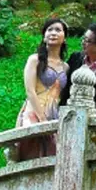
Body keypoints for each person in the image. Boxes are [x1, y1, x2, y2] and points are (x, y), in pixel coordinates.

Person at [14, 17, 69, 160]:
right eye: (49, 30)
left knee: (52, 156)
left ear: (64, 38)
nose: (53, 33)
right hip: (34, 112)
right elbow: (30, 91)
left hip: (54, 114)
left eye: (58, 30)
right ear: (44, 37)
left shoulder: (66, 67)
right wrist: (42, 119)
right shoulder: (35, 60)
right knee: (30, 155)